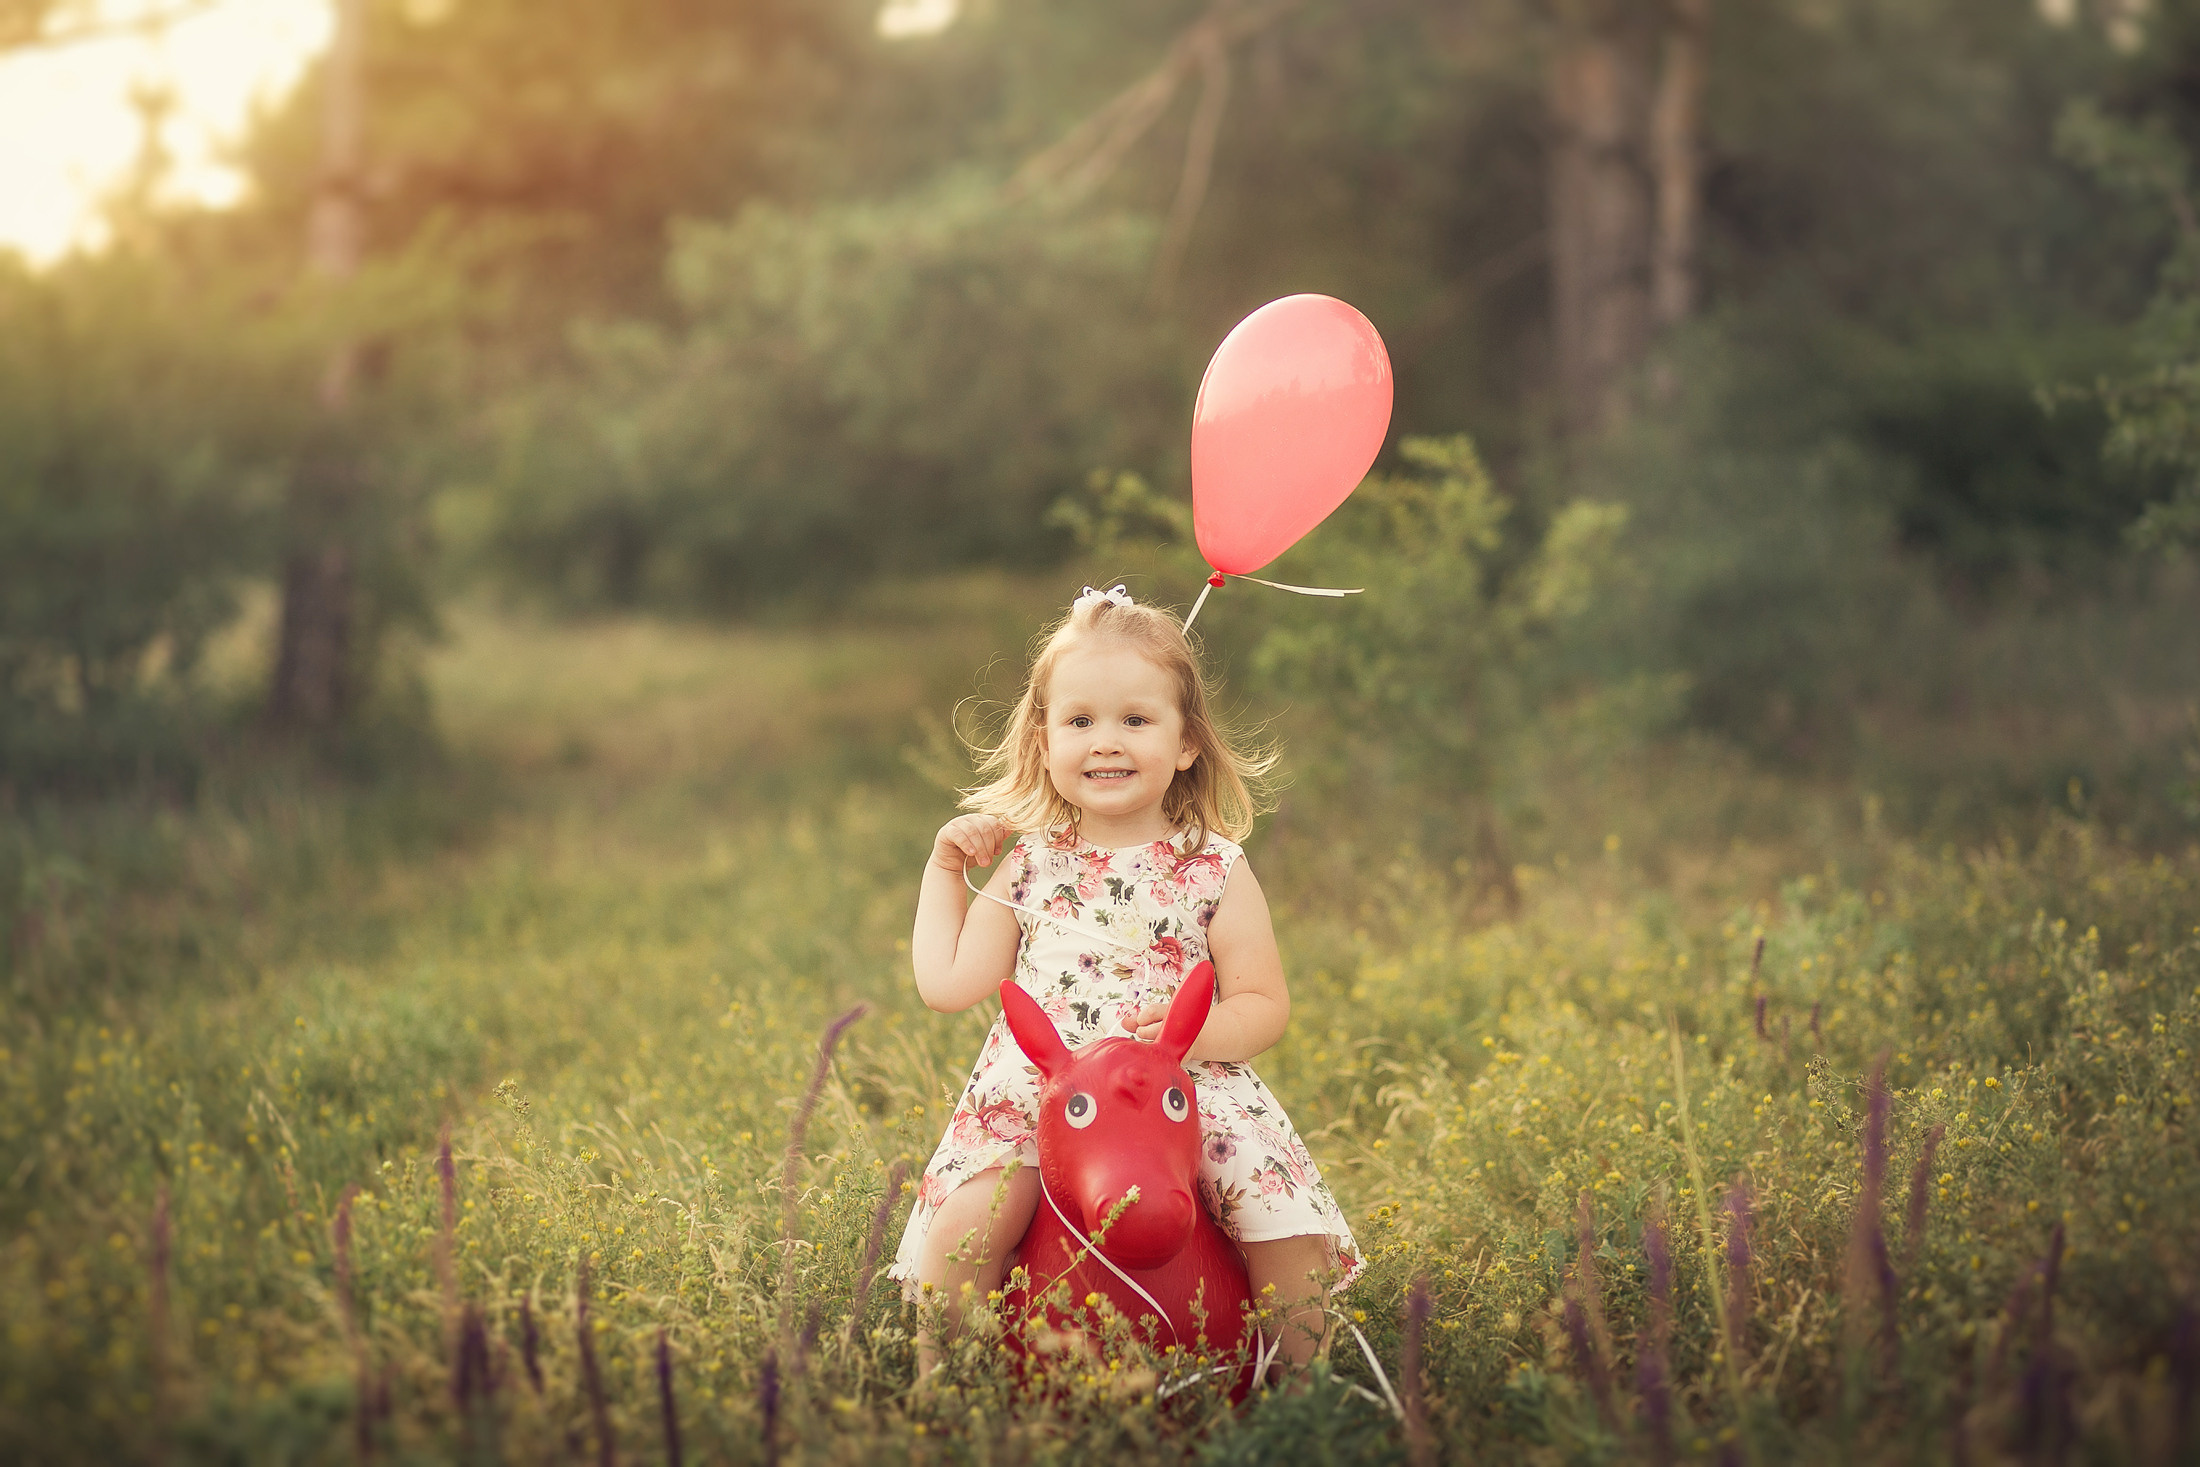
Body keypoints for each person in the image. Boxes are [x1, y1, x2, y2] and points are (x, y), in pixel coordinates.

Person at [889, 583, 1360, 1380]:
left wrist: (1205, 1037)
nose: (1106, 741)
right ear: (1043, 742)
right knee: (966, 1226)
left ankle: (1297, 1389)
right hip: (1044, 1094)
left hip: (1184, 1088)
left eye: (1135, 720)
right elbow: (946, 981)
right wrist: (943, 868)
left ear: (1186, 743)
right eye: (1080, 721)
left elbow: (1264, 1000)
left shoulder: (1213, 863)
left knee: (1281, 1223)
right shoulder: (1033, 862)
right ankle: (951, 1392)